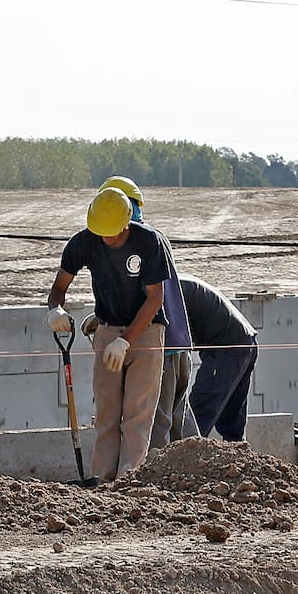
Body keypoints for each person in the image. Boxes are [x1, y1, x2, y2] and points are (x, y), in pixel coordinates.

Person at [47, 187, 168, 482]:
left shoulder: (148, 241)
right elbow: (58, 288)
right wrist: (55, 310)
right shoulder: (84, 242)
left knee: (137, 415)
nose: (106, 238)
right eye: (101, 232)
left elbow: (155, 299)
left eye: (112, 232)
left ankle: (128, 482)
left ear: (127, 222)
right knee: (106, 415)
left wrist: (126, 340)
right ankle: (102, 481)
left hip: (146, 332)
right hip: (106, 330)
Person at [94, 175, 197, 449]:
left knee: (153, 426)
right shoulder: (156, 237)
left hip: (159, 347)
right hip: (178, 343)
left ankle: (154, 487)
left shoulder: (139, 242)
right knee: (179, 422)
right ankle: (188, 483)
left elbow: (147, 298)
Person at [178, 273, 259, 441]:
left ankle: (187, 461)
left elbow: (173, 351)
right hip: (245, 342)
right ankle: (238, 461)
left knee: (198, 415)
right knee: (231, 422)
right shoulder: (179, 283)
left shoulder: (168, 292)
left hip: (227, 349)